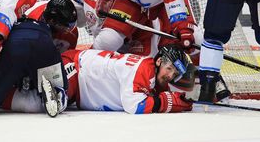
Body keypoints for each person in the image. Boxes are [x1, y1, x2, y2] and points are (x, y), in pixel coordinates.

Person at [61, 45, 194, 114]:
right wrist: (166, 102)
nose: (170, 76)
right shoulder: (144, 70)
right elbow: (134, 106)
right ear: (159, 61)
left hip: (80, 88)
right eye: (169, 69)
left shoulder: (155, 76)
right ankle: (57, 92)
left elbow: (162, 96)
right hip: (75, 67)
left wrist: (177, 100)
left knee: (54, 100)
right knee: (56, 98)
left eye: (175, 74)